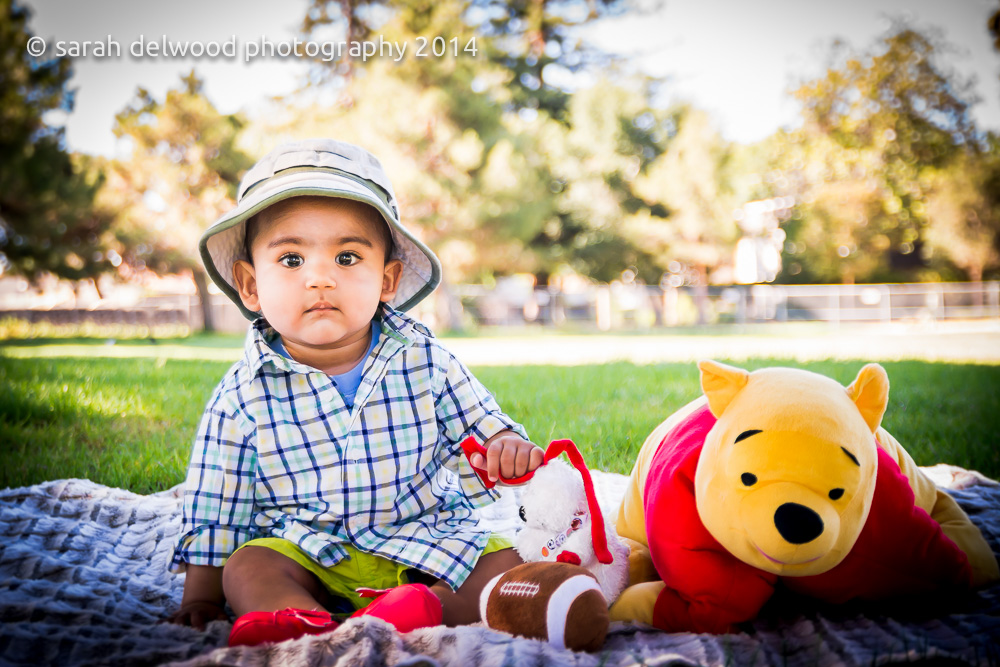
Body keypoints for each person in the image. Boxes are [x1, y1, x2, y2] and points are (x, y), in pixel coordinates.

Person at [167, 139, 544, 647]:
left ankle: (417, 611)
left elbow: (481, 426)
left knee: (507, 562)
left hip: (426, 539)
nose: (320, 277)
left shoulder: (424, 360)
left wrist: (504, 446)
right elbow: (218, 501)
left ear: (387, 279)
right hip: (309, 551)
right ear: (250, 285)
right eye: (292, 259)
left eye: (346, 257)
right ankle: (305, 621)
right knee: (248, 565)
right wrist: (201, 598)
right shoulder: (242, 393)